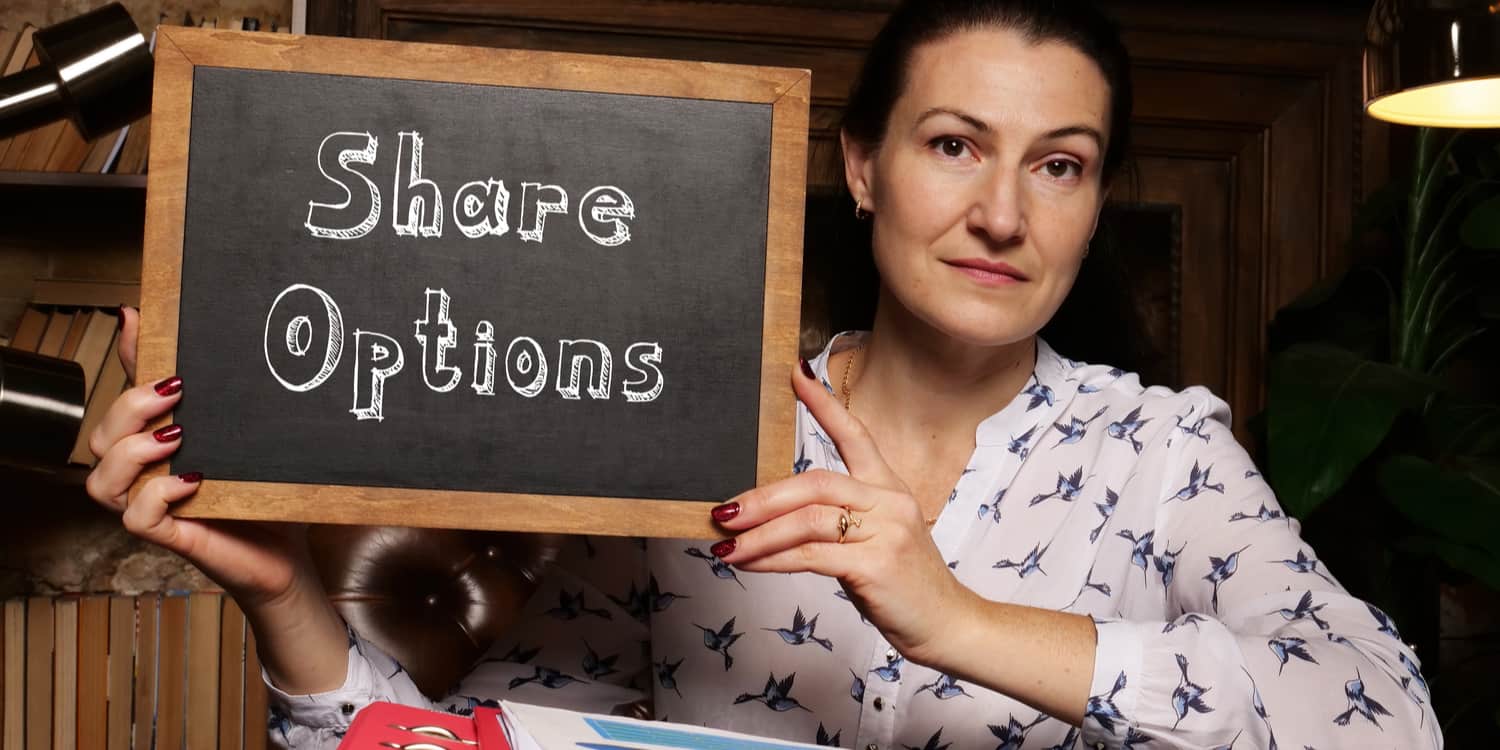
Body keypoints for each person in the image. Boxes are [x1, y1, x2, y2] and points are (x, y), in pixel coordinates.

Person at [86, 1, 1442, 748]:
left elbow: (1385, 721)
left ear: (1095, 202)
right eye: (956, 145)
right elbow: (457, 747)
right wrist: (278, 590)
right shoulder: (696, 425)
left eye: (1062, 164)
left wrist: (953, 616)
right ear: (860, 166)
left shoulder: (1162, 452)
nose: (1006, 216)